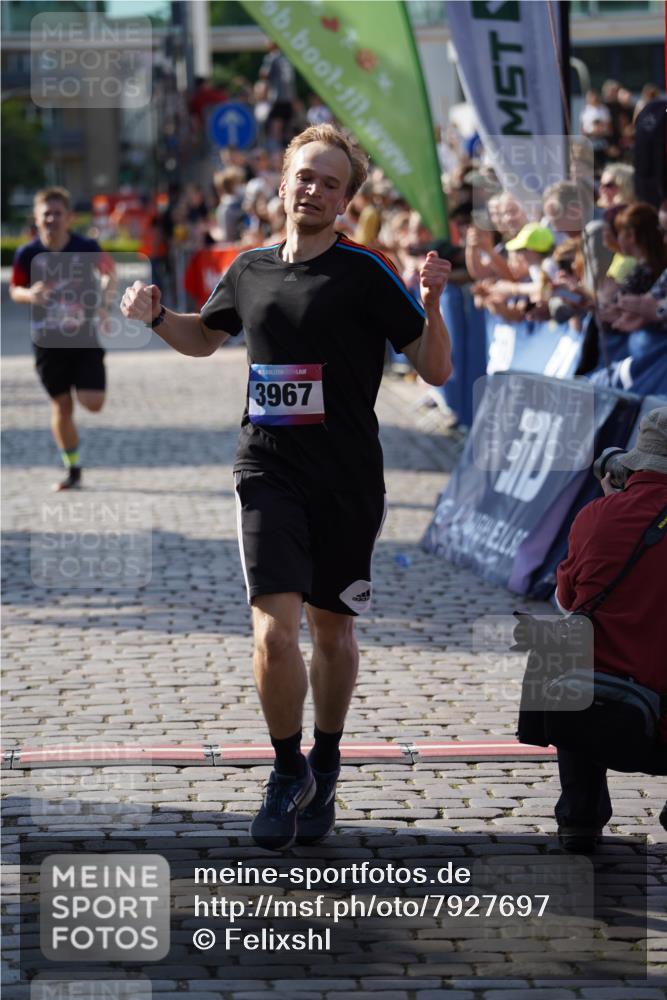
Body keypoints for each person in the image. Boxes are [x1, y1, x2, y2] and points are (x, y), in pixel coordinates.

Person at [121, 124, 452, 850]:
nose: (313, 190)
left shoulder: (365, 272)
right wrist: (153, 317)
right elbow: (204, 337)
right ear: (282, 183)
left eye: (330, 183)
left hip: (346, 477)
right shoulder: (248, 269)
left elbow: (432, 371)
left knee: (331, 631)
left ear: (344, 201)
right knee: (272, 628)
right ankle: (284, 768)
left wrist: (430, 304)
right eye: (304, 176)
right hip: (267, 466)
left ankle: (325, 765)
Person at [554, 407, 667, 852]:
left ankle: (580, 815)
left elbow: (567, 599)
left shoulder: (595, 516)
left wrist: (605, 505)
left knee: (560, 645)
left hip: (603, 714)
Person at [10, 187, 116, 491]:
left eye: (58, 213)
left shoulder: (87, 246)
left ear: (69, 218)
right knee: (62, 407)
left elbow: (110, 272)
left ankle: (73, 459)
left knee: (92, 402)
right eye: (46, 214)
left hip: (82, 336)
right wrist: (31, 294)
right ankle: (73, 468)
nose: (52, 219)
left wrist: (104, 303)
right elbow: (14, 290)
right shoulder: (27, 253)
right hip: (46, 341)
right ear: (36, 218)